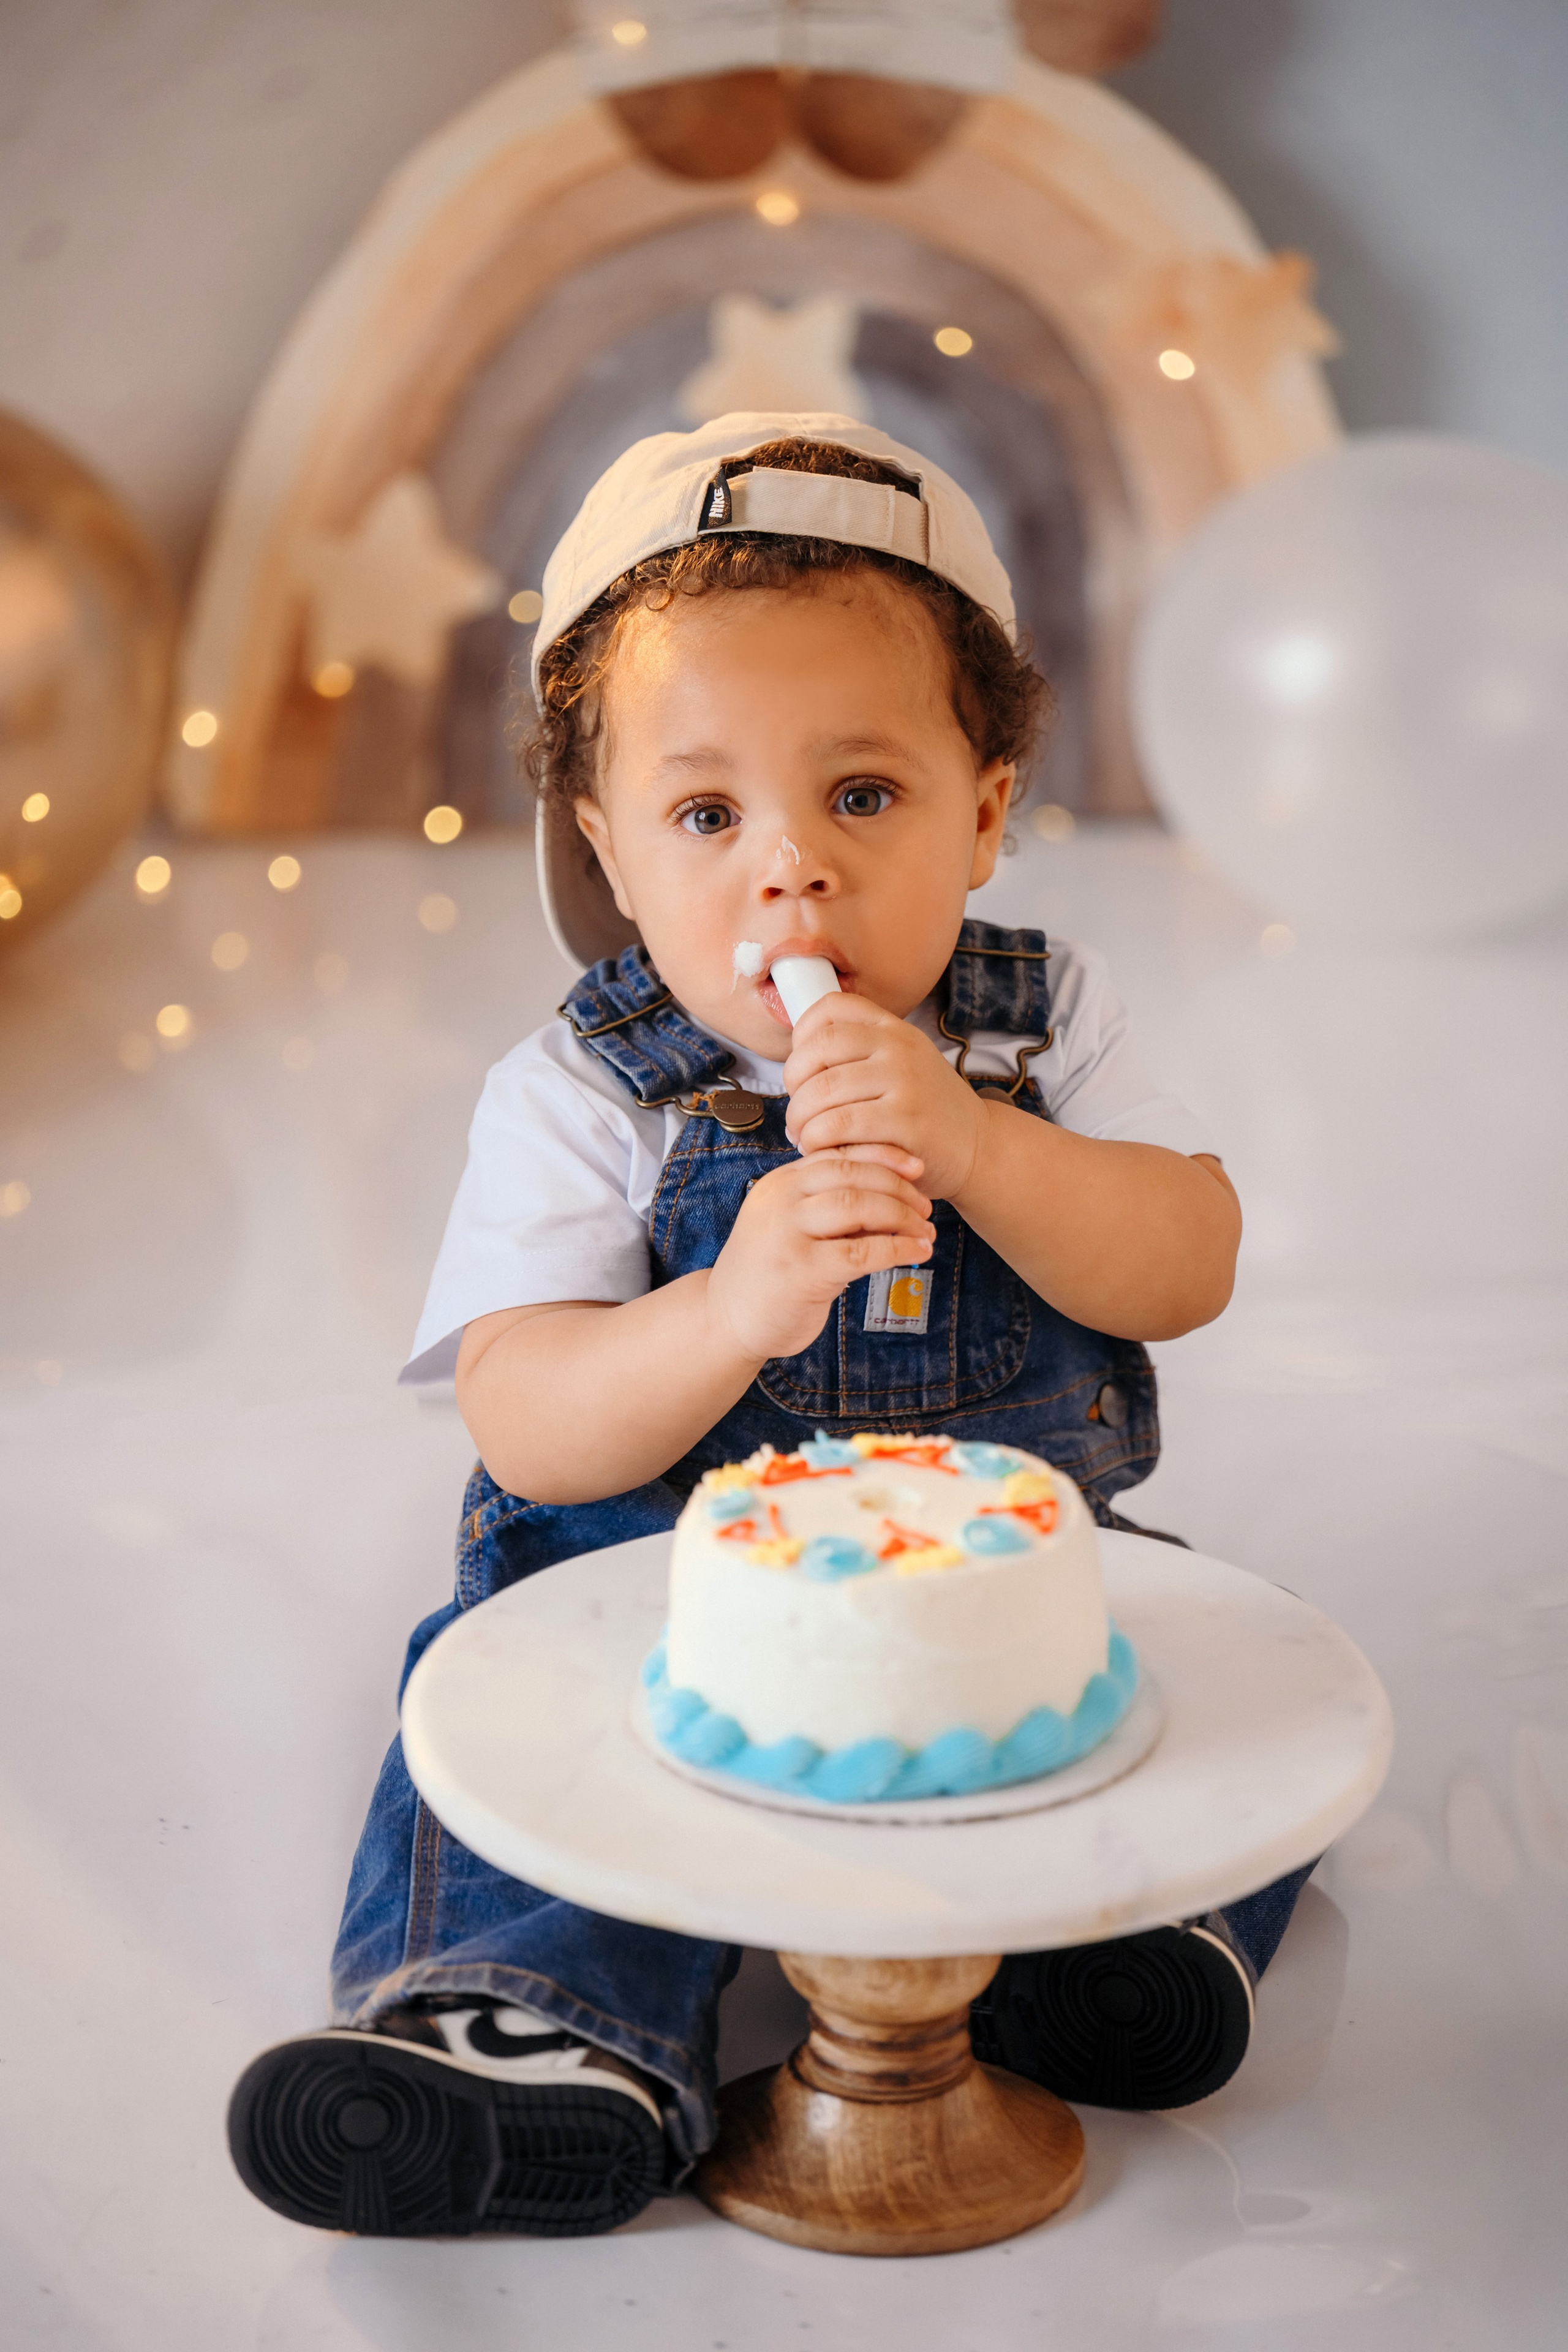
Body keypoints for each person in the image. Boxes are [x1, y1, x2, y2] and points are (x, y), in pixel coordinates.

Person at [228, 414, 1308, 2242]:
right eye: (709, 816)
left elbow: (1184, 1260)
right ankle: (533, 2030)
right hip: (647, 1584)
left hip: (979, 1567)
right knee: (494, 1702)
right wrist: (729, 1309)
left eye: (863, 798)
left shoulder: (1047, 1026)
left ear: (987, 806)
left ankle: (1112, 1946)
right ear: (610, 849)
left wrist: (979, 1143)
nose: (788, 875)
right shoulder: (589, 1087)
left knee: (1195, 1644)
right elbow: (528, 1423)